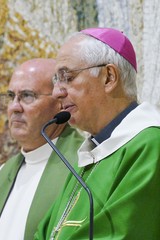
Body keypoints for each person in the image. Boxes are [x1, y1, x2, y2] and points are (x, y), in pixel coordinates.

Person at [34, 28, 160, 240]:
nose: (57, 92)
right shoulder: (91, 155)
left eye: (67, 77)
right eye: (57, 80)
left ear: (109, 77)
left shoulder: (150, 145)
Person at [0, 58, 84, 240]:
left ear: (59, 103)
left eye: (27, 96)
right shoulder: (4, 174)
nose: (14, 107)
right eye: (10, 96)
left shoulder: (83, 164)